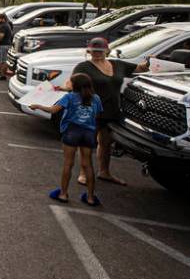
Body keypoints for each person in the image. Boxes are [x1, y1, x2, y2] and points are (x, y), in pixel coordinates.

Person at [71, 37, 149, 188]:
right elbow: (73, 82)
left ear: (107, 50)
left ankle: (104, 172)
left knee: (106, 143)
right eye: (94, 51)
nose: (97, 54)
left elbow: (140, 68)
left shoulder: (117, 64)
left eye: (100, 51)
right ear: (89, 51)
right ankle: (83, 173)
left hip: (112, 111)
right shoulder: (84, 67)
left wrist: (150, 62)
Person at [31, 72, 101, 206]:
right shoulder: (96, 98)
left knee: (68, 163)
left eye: (70, 82)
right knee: (88, 165)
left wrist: (37, 106)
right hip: (88, 133)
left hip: (72, 131)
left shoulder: (69, 97)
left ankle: (63, 193)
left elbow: (53, 110)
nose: (68, 83)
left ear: (75, 86)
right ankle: (91, 197)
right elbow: (96, 115)